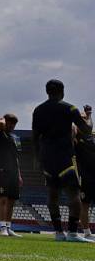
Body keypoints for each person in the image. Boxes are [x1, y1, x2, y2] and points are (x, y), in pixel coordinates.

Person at [32, 79, 93, 242]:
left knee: (52, 194)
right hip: (65, 157)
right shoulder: (69, 108)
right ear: (62, 91)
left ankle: (59, 233)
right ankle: (73, 233)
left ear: (47, 92)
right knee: (74, 194)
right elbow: (86, 130)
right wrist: (88, 117)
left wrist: (39, 158)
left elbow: (34, 137)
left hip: (47, 158)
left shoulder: (38, 110)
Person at [0, 114, 22, 237]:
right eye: (11, 123)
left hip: (13, 172)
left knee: (11, 201)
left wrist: (19, 175)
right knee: (3, 199)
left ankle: (8, 227)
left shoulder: (13, 138)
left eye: (14, 124)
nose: (13, 126)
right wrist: (2, 118)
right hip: (2, 170)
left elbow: (16, 158)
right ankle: (2, 227)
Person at [74, 104, 95, 241]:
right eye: (81, 119)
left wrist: (89, 115)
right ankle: (87, 232)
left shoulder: (91, 135)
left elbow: (90, 126)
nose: (84, 121)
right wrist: (84, 116)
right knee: (85, 204)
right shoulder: (75, 137)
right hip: (84, 175)